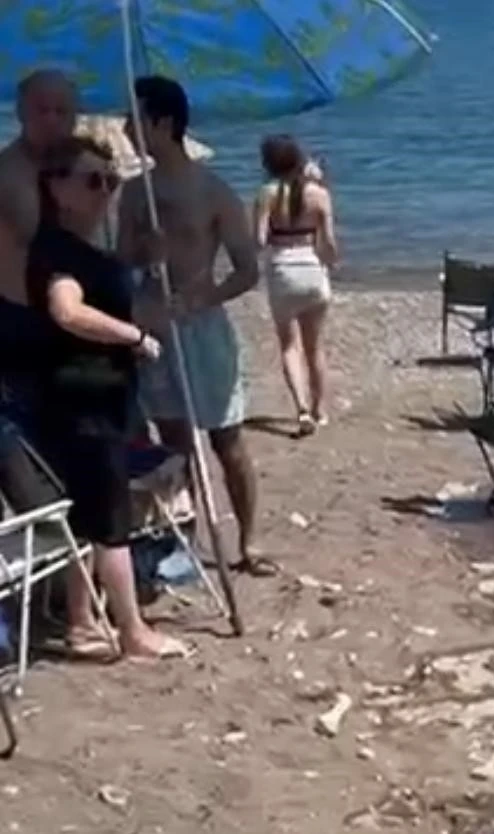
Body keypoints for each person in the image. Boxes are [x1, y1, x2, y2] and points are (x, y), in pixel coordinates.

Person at [27, 135, 188, 659]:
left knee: (87, 514)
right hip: (85, 402)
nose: (105, 191)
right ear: (58, 188)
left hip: (97, 397)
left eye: (112, 181)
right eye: (93, 180)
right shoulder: (57, 252)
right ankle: (133, 632)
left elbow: (105, 290)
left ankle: (80, 622)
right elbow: (67, 311)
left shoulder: (79, 249)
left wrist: (143, 262)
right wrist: (133, 337)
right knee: (110, 518)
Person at [117, 76, 268, 575]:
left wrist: (204, 296)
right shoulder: (134, 192)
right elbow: (121, 262)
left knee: (227, 439)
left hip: (203, 328)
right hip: (155, 327)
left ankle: (249, 542)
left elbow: (247, 269)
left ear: (163, 123)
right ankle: (185, 542)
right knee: (174, 447)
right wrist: (145, 252)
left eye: (134, 118)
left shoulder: (213, 191)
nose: (126, 129)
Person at [0, 70, 78, 434]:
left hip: (80, 317)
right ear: (20, 112)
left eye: (62, 111)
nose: (52, 120)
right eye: (41, 110)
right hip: (22, 320)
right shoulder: (7, 174)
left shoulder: (87, 171)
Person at [254, 135, 339, 434]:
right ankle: (320, 410)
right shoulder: (320, 194)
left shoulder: (267, 193)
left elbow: (259, 240)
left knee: (290, 346)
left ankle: (302, 409)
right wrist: (331, 262)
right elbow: (329, 243)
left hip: (283, 273)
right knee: (315, 347)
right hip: (313, 271)